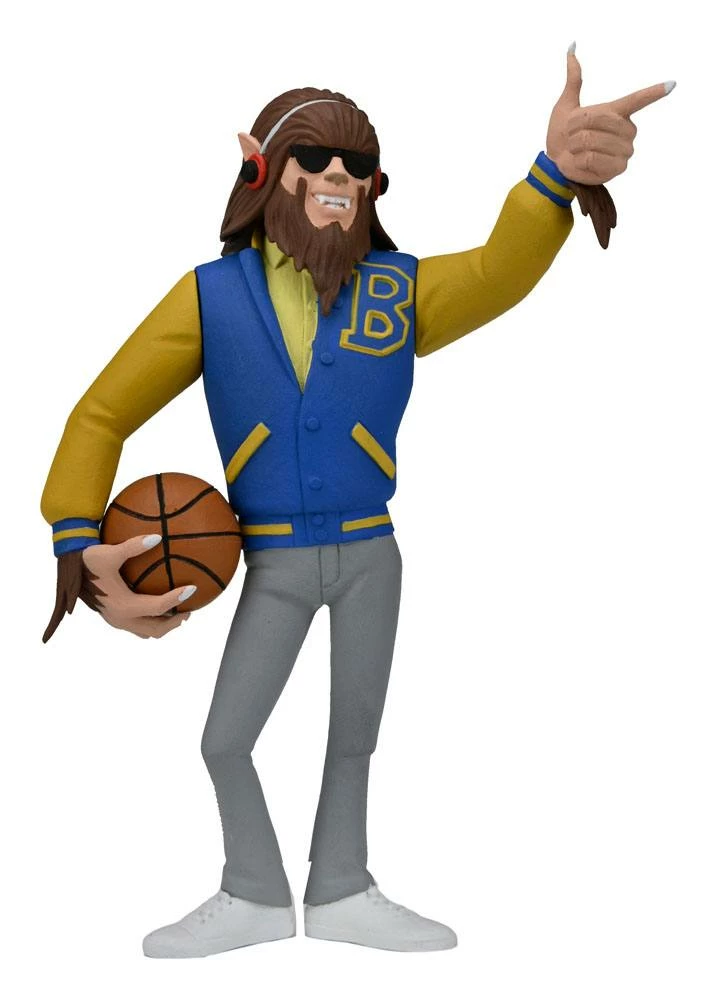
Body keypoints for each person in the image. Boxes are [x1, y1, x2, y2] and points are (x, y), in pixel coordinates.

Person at [41, 49, 675, 956]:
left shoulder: (396, 290)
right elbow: (101, 414)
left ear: (375, 185)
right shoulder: (211, 297)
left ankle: (341, 886)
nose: (337, 175)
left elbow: (495, 271)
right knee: (225, 740)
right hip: (271, 555)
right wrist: (76, 540)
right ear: (261, 170)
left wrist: (551, 178)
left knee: (355, 735)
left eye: (357, 163)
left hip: (373, 550)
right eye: (314, 157)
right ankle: (253, 892)